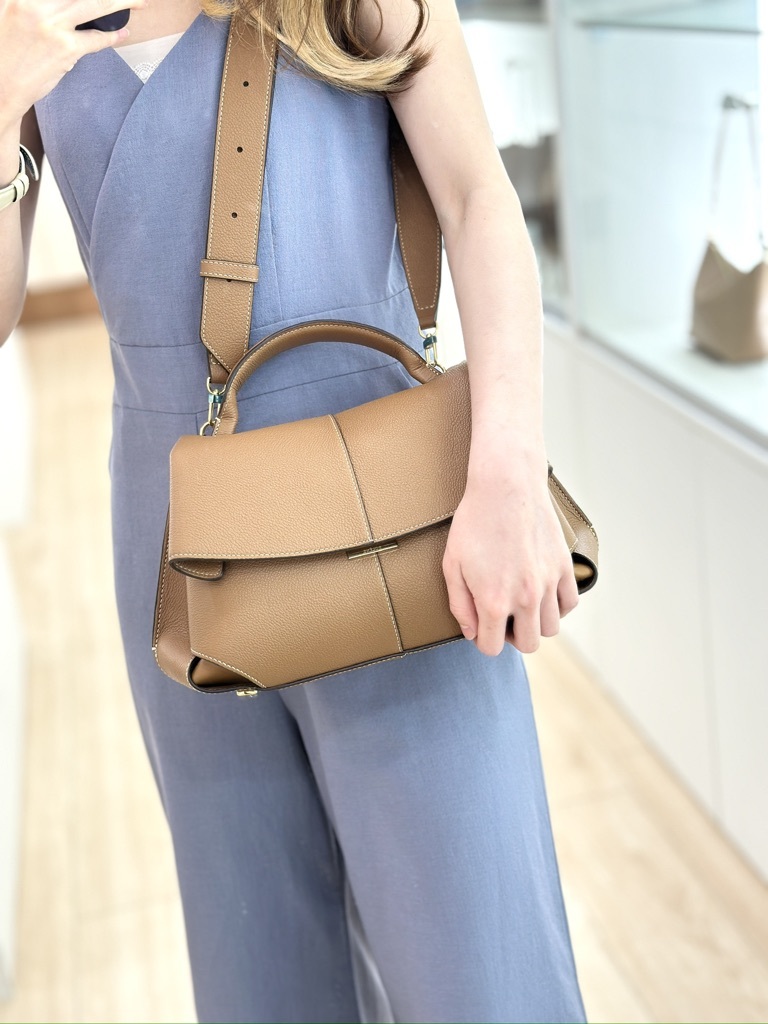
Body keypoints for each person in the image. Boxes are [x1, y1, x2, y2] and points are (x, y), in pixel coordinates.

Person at [0, 1, 586, 1020]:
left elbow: (475, 197)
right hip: (174, 525)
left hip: (389, 499)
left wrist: (507, 470)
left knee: (479, 964)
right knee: (258, 967)